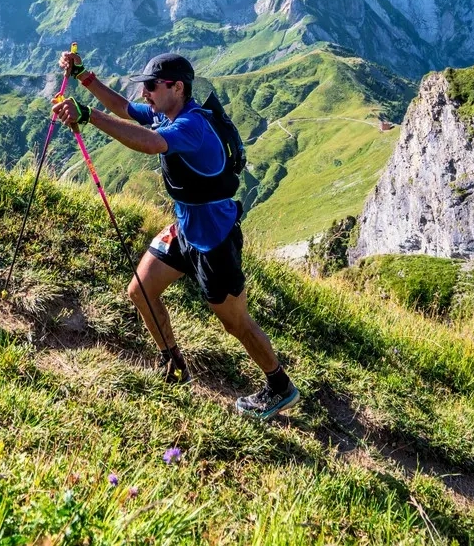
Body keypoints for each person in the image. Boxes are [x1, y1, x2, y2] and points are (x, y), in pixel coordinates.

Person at [51, 51, 300, 420]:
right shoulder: (165, 112)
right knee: (141, 290)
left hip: (214, 241)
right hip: (186, 228)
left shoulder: (192, 126)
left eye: (152, 86)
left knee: (236, 324)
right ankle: (174, 365)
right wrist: (84, 76)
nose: (146, 93)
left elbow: (151, 143)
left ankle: (280, 387)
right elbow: (124, 108)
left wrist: (87, 115)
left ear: (177, 87)